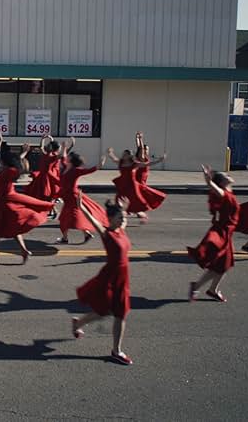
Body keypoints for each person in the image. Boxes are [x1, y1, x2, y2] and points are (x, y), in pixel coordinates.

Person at [70, 195, 133, 366]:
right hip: (110, 277)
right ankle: (114, 350)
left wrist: (124, 208)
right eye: (120, 218)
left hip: (123, 278)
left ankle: (115, 350)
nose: (123, 220)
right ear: (111, 219)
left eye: (124, 218)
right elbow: (93, 220)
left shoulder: (121, 228)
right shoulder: (107, 233)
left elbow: (123, 218)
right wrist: (82, 207)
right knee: (105, 311)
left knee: (120, 314)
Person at [0, 145, 55, 264]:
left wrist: (23, 155)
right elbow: (17, 162)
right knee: (12, 229)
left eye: (2, 160)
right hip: (5, 202)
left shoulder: (9, 171)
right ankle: (23, 251)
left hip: (5, 203)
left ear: (5, 161)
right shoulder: (8, 170)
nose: (0, 162)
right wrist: (23, 153)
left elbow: (18, 166)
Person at [187, 166, 239, 303]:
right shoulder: (223, 193)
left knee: (223, 265)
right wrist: (208, 180)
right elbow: (212, 186)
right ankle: (202, 288)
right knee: (221, 265)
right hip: (222, 233)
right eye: (226, 175)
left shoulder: (228, 191)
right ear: (221, 183)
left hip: (227, 232)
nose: (229, 175)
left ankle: (210, 289)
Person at [56, 146, 108, 244]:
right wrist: (64, 147)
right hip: (66, 196)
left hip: (73, 196)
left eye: (69, 156)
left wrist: (100, 164)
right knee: (71, 216)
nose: (67, 157)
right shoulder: (65, 166)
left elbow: (90, 170)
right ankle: (86, 234)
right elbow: (63, 156)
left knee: (67, 217)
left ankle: (65, 238)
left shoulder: (76, 170)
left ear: (72, 159)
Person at [106, 147, 167, 221]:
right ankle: (119, 215)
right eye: (123, 154)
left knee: (137, 201)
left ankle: (141, 214)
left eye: (125, 154)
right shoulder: (121, 162)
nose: (123, 155)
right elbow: (114, 159)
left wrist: (159, 161)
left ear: (129, 156)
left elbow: (146, 164)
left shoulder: (134, 164)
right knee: (119, 199)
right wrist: (110, 153)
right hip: (123, 184)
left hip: (132, 185)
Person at [25, 134, 64, 218]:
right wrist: (43, 139)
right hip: (43, 176)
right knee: (43, 195)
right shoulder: (46, 154)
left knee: (47, 195)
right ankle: (51, 210)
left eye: (50, 145)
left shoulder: (53, 156)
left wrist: (64, 147)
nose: (48, 146)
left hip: (47, 178)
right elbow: (41, 147)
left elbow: (60, 155)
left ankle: (53, 210)